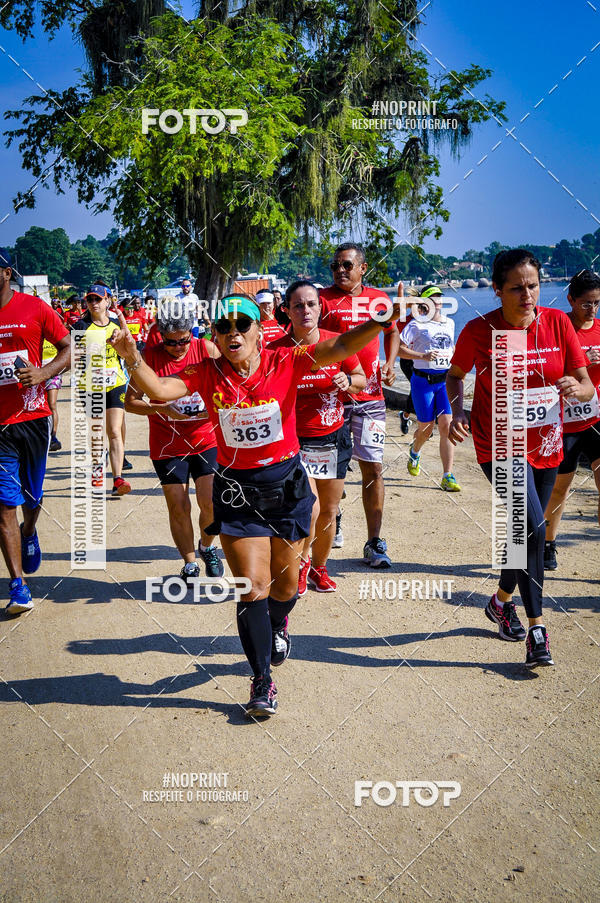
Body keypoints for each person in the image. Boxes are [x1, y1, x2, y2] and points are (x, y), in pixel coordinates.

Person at [108, 292, 402, 717]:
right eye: (222, 327)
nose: (232, 333)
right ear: (214, 335)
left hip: (286, 486)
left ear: (258, 333)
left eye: (240, 325)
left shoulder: (288, 361)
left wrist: (381, 322)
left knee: (284, 588)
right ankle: (262, 678)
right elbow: (158, 388)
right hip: (236, 491)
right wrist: (132, 356)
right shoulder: (206, 373)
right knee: (253, 588)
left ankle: (279, 622)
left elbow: (339, 347)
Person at [447, 249, 593, 667]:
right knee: (533, 527)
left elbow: (586, 385)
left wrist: (575, 388)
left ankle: (499, 601)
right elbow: (455, 377)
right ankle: (537, 630)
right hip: (500, 443)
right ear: (497, 290)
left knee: (522, 535)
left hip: (547, 441)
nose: (527, 295)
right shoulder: (480, 330)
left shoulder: (558, 323)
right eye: (516, 288)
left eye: (533, 285)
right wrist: (457, 411)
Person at [271, 280, 366, 592]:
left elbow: (361, 380)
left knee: (328, 511)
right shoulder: (276, 351)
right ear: (286, 311)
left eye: (311, 304)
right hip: (293, 444)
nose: (305, 310)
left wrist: (347, 381)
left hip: (332, 439)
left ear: (320, 307)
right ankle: (300, 562)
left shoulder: (336, 343)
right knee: (307, 509)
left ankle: (319, 567)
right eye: (297, 305)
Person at [124, 304, 224, 579]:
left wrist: (215, 408)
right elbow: (130, 403)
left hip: (206, 438)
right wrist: (162, 409)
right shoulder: (150, 358)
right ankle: (190, 562)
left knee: (211, 503)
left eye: (184, 340)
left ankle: (207, 547)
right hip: (168, 445)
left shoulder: (206, 349)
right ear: (160, 337)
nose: (179, 347)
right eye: (172, 343)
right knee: (178, 506)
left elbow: (228, 383)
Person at [319, 242, 400, 567]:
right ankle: (330, 519)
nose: (340, 271)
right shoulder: (322, 300)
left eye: (347, 265)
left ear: (363, 268)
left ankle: (374, 541)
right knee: (327, 469)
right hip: (330, 397)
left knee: (373, 466)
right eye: (336, 265)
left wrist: (390, 362)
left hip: (371, 399)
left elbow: (392, 331)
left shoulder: (379, 299)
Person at [0, 249, 70, 614]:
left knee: (33, 497)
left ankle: (29, 531)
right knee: (3, 503)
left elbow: (68, 347)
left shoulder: (35, 308)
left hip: (32, 416)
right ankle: (18, 584)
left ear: (7, 272)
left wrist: (43, 374)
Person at [544, 270, 600, 569]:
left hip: (596, 419)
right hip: (565, 422)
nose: (592, 309)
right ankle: (549, 542)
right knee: (560, 488)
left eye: (597, 303)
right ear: (571, 300)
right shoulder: (559, 327)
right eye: (586, 303)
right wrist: (580, 361)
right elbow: (545, 366)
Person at [399, 285, 461, 491]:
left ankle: (447, 476)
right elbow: (398, 349)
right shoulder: (416, 325)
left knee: (446, 426)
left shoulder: (449, 323)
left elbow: (451, 346)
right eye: (433, 298)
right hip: (422, 382)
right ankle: (415, 451)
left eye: (439, 297)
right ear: (424, 303)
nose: (438, 300)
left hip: (444, 382)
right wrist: (421, 356)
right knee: (425, 430)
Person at [76, 282, 132, 497]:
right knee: (97, 433)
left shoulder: (117, 323)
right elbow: (71, 355)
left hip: (116, 382)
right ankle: (98, 471)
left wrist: (123, 329)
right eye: (90, 299)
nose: (93, 303)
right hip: (90, 386)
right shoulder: (80, 327)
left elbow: (129, 349)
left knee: (115, 430)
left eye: (98, 299)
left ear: (107, 300)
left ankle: (118, 479)